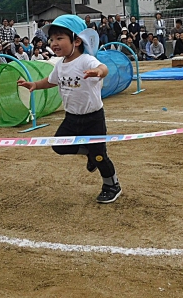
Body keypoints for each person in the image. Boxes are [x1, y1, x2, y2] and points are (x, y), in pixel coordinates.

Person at [17, 15, 120, 204]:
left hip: (93, 118)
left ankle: (111, 185)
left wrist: (99, 72)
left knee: (100, 156)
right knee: (59, 145)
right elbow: (50, 81)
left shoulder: (86, 60)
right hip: (72, 118)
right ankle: (89, 152)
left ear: (77, 40)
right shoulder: (61, 64)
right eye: (52, 39)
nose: (53, 43)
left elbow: (102, 67)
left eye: (59, 38)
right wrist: (34, 85)